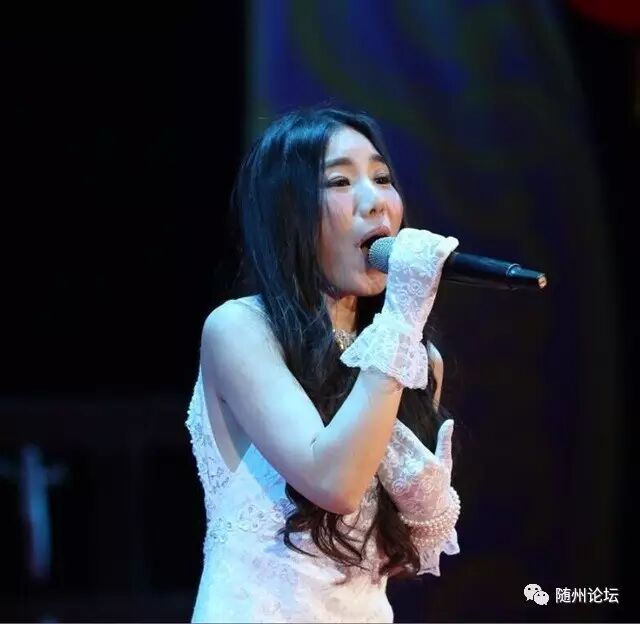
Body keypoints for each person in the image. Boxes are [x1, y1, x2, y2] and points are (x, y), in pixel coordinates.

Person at [185, 105, 462, 623]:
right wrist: (403, 318)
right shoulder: (239, 329)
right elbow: (334, 482)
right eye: (340, 181)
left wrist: (421, 505)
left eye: (382, 178)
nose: (374, 201)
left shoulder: (415, 359)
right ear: (288, 213)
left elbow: (377, 559)